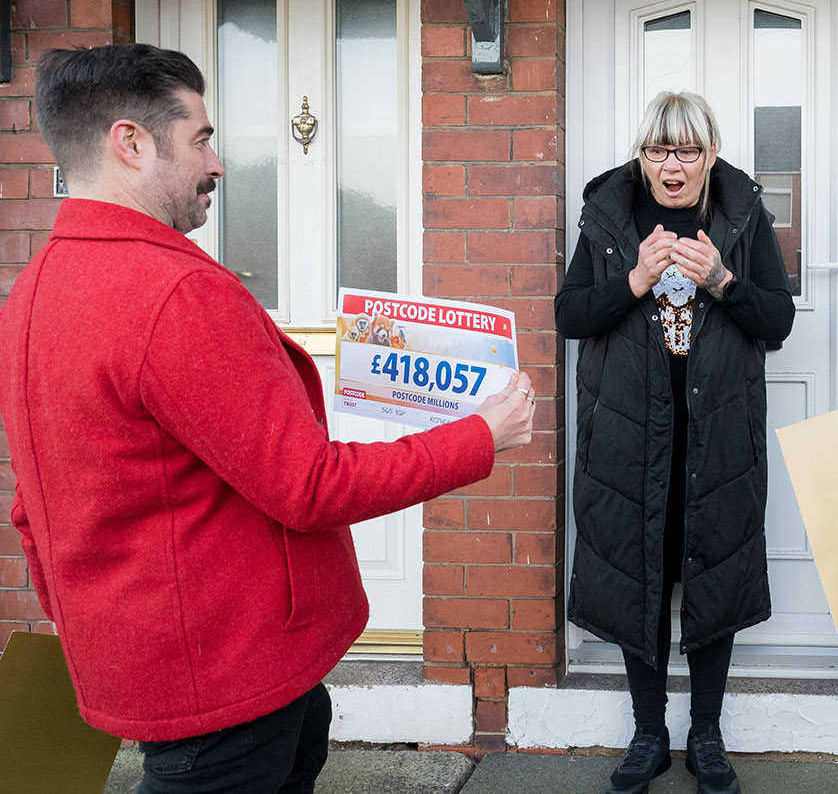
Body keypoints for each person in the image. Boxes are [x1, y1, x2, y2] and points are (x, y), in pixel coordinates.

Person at [0, 43, 536, 794]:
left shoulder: (33, 290)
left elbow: (36, 503)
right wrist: (480, 437)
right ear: (130, 143)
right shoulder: (174, 294)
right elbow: (310, 486)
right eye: (201, 138)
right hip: (224, 684)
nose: (217, 163)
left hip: (165, 666)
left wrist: (83, 621)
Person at [555, 92, 794, 794]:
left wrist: (720, 279)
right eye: (659, 150)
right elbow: (571, 313)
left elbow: (776, 319)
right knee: (640, 573)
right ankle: (649, 734)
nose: (672, 165)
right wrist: (633, 279)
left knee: (717, 568)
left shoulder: (742, 217)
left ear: (711, 155)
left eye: (688, 150)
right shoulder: (607, 217)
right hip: (629, 431)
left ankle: (708, 735)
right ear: (642, 156)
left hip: (716, 429)